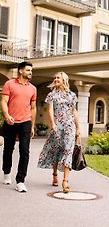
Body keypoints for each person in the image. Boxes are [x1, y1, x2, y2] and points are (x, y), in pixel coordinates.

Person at [37, 72, 80, 193]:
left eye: (58, 78)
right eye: (54, 78)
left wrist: (79, 128)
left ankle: (65, 181)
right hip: (57, 127)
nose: (55, 79)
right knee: (56, 150)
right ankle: (55, 174)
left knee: (68, 151)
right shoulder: (52, 95)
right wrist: (53, 124)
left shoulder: (72, 95)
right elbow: (50, 110)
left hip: (70, 127)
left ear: (64, 80)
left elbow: (74, 112)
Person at [1, 61, 37, 193]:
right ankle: (6, 171)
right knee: (8, 149)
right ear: (21, 71)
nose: (30, 73)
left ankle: (20, 181)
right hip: (10, 122)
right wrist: (6, 115)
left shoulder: (33, 88)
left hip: (26, 122)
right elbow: (4, 102)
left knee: (25, 151)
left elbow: (33, 108)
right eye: (28, 70)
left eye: (31, 71)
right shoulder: (9, 84)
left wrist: (32, 125)